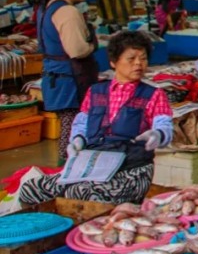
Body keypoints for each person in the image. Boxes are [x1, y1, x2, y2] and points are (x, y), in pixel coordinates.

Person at [19, 31, 173, 206]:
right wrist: (77, 139)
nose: (138, 63)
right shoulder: (95, 92)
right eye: (131, 59)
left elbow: (164, 123)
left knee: (79, 193)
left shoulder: (154, 94)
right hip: (93, 165)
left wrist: (159, 134)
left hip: (131, 170)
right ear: (113, 62)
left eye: (143, 58)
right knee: (31, 189)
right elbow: (82, 122)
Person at [37, 0, 99, 162]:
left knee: (69, 126)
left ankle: (66, 168)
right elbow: (77, 50)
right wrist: (92, 45)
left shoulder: (48, 7)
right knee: (74, 128)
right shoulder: (68, 12)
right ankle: (67, 169)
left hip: (56, 76)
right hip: (70, 80)